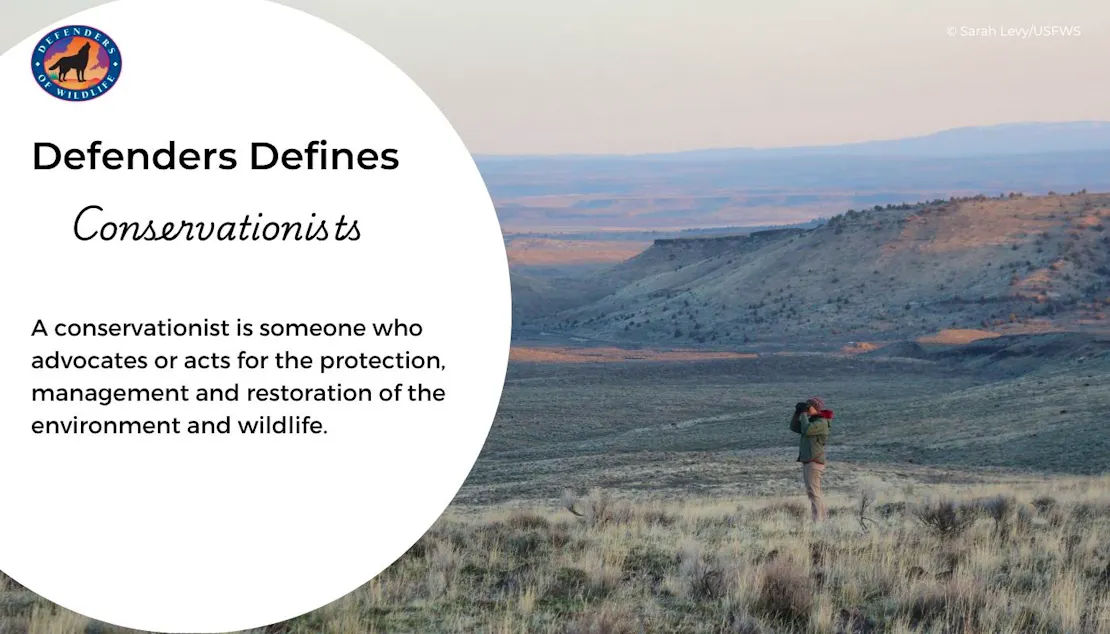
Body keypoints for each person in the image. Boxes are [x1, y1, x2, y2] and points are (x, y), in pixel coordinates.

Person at [790, 396, 833, 522]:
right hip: (809, 461)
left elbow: (806, 430)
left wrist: (803, 413)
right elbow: (794, 427)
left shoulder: (821, 423)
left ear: (817, 408)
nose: (807, 408)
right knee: (813, 492)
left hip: (814, 461)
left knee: (813, 492)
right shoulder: (812, 422)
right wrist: (797, 413)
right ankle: (821, 518)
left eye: (809, 406)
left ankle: (819, 520)